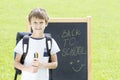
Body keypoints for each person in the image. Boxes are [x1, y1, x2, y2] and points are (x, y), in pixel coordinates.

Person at [14, 8, 60, 80]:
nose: (38, 26)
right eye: (35, 22)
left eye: (41, 22)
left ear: (46, 23)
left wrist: (42, 64)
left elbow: (55, 64)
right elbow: (16, 63)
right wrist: (29, 69)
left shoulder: (50, 42)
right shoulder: (24, 42)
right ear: (30, 23)